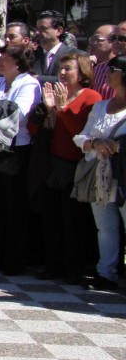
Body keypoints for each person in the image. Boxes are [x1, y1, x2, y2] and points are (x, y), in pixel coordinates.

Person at [27, 53, 99, 283]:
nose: (63, 73)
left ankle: (74, 269)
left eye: (69, 68)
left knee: (74, 221)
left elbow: (80, 133)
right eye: (61, 68)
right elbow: (33, 130)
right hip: (51, 165)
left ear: (83, 73)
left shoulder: (91, 97)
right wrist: (46, 109)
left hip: (76, 168)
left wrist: (62, 109)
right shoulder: (55, 95)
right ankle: (53, 265)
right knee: (51, 219)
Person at [0, 44, 41, 275]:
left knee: (14, 206)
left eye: (5, 57)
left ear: (18, 62)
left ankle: (14, 260)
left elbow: (18, 113)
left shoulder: (29, 84)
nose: (0, 60)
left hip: (16, 150)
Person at [72, 55, 126, 291]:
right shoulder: (101, 106)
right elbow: (81, 137)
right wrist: (94, 143)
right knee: (105, 227)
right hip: (100, 175)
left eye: (113, 70)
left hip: (123, 176)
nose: (108, 74)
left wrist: (117, 146)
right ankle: (106, 274)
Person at [34, 10, 82, 84]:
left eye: (42, 28)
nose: (37, 32)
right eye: (37, 28)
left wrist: (37, 78)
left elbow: (72, 81)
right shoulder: (31, 57)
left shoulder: (76, 55)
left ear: (59, 31)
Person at [88, 24, 117, 100]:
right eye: (91, 39)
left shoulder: (121, 68)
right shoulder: (96, 69)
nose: (92, 43)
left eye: (97, 39)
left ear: (113, 42)